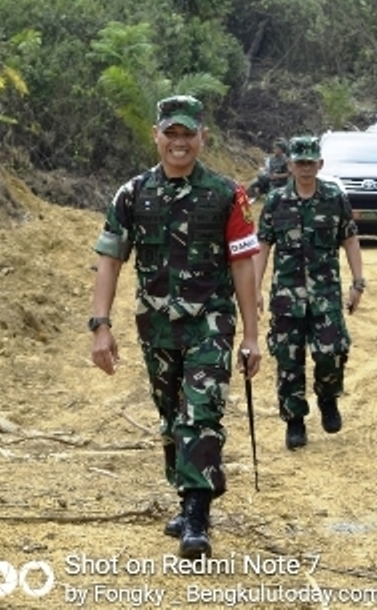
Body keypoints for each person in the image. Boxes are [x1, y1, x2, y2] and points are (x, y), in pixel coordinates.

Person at [89, 95, 262, 558]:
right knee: (170, 419)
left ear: (203, 137)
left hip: (211, 323)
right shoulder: (133, 194)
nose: (179, 143)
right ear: (157, 136)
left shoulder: (227, 194)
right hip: (157, 327)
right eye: (172, 133)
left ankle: (198, 517)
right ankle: (187, 499)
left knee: (200, 414)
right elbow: (110, 259)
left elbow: (243, 264)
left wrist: (250, 336)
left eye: (188, 134)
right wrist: (101, 325)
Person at [254, 135, 364, 450]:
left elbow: (350, 239)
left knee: (331, 352)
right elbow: (263, 244)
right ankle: (295, 421)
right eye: (300, 163)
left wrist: (358, 282)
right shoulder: (276, 201)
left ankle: (328, 398)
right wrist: (255, 288)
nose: (305, 168)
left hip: (325, 294)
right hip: (287, 298)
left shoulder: (334, 198)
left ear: (320, 164)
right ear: (290, 165)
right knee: (288, 360)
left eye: (310, 163)